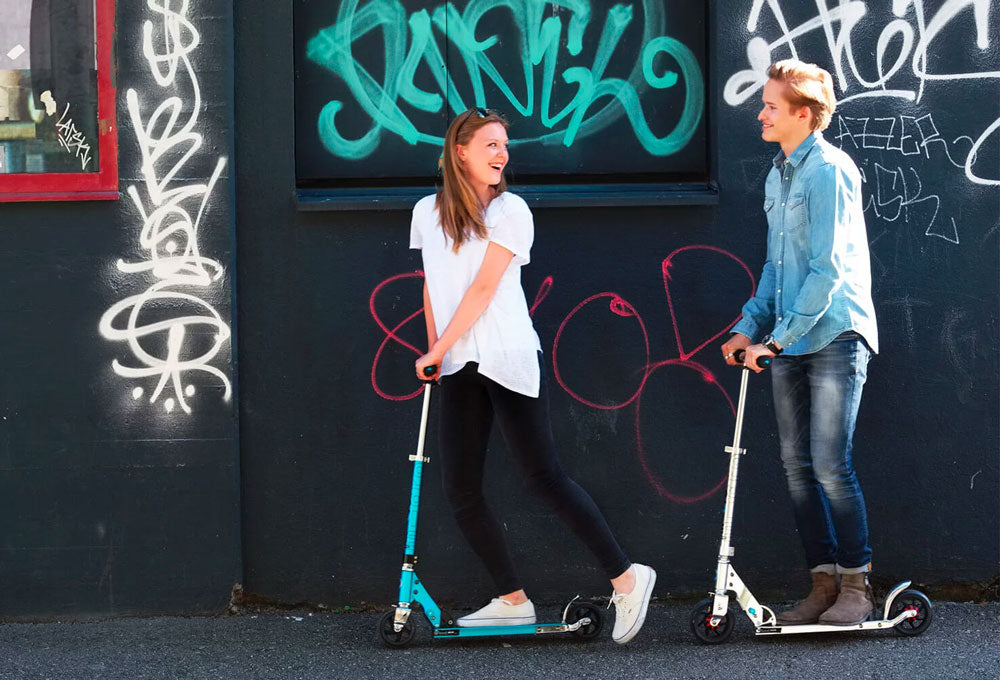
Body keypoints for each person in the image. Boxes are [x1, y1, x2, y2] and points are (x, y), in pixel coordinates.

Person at [410, 107, 655, 643]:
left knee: (542, 477)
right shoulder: (427, 212)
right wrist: (437, 351)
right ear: (460, 152)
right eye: (490, 145)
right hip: (456, 363)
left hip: (505, 355)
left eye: (504, 145)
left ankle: (628, 579)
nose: (501, 154)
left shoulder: (511, 211)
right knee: (460, 489)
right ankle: (512, 600)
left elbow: (483, 289)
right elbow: (432, 286)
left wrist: (438, 349)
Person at [720, 60, 880, 626]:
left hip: (834, 333)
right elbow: (776, 265)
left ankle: (857, 588)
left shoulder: (830, 171)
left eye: (770, 106)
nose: (760, 114)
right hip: (786, 337)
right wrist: (748, 326)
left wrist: (777, 341)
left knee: (831, 465)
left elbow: (828, 270)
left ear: (804, 114)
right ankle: (822, 584)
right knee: (796, 466)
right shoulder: (778, 174)